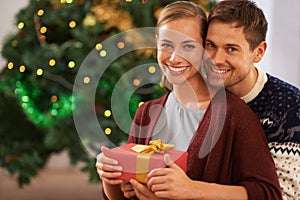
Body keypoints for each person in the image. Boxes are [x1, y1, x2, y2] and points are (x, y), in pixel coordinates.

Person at [96, 1, 282, 199]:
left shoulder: (235, 115)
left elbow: (267, 193)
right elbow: (124, 196)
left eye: (188, 46)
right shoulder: (147, 114)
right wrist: (110, 177)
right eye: (167, 45)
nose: (175, 58)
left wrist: (191, 190)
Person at [203, 0, 300, 199]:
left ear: (259, 52)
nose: (216, 59)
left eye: (231, 49)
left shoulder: (290, 107)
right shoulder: (198, 95)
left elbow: (284, 195)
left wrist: (193, 190)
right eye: (210, 45)